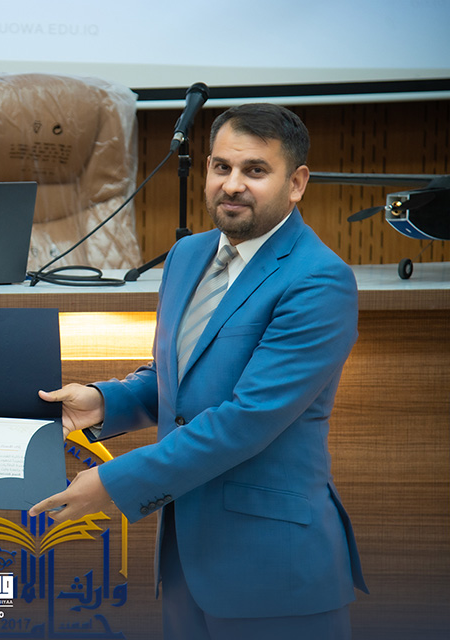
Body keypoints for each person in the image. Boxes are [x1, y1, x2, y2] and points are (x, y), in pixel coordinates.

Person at [30, 103, 368, 639]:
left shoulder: (318, 280)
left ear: (296, 183)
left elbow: (246, 420)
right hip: (186, 561)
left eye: (255, 170)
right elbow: (181, 377)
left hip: (277, 570)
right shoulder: (187, 255)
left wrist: (113, 482)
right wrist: (104, 401)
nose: (232, 185)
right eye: (222, 167)